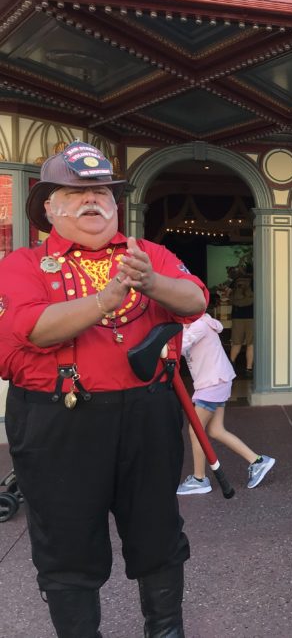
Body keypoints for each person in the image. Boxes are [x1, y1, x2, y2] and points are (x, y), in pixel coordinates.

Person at [0, 142, 208, 637]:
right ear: (49, 207)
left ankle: (166, 630)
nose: (93, 201)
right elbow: (32, 328)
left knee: (158, 530)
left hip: (147, 414)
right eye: (76, 193)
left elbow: (195, 298)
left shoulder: (146, 253)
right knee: (66, 541)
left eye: (102, 193)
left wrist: (152, 281)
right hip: (60, 420)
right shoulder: (23, 264)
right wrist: (107, 298)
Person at [177, 312, 275, 495]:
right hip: (216, 381)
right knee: (215, 430)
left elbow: (180, 347)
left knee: (195, 430)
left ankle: (199, 479)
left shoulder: (199, 325)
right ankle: (258, 461)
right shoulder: (193, 324)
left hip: (212, 383)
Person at [229, 273, 254, 376]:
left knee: (236, 343)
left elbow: (230, 297)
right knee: (251, 344)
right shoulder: (253, 281)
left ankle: (230, 365)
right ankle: (248, 368)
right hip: (251, 316)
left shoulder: (235, 281)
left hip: (237, 316)